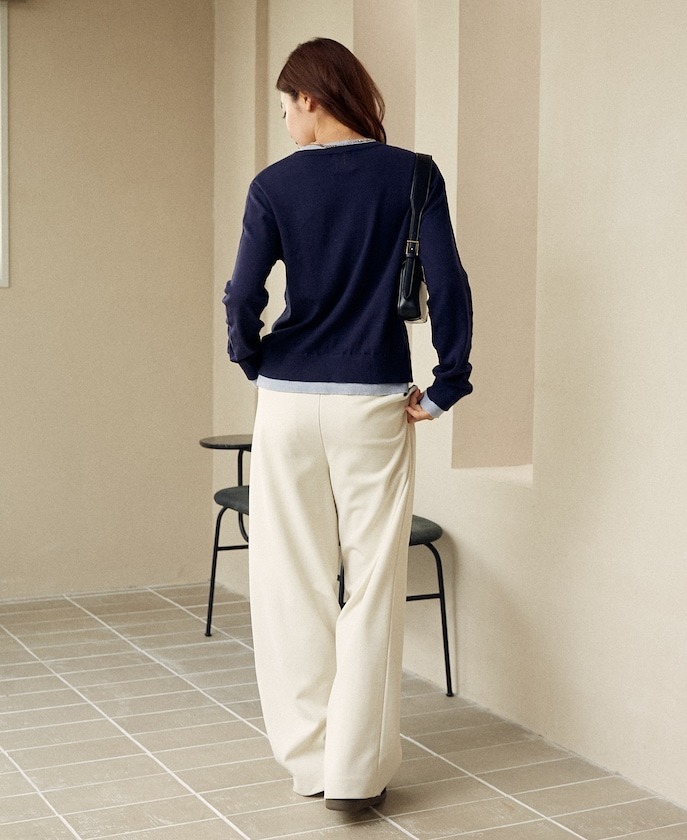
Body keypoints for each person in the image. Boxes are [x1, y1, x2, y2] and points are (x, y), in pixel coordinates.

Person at [223, 37, 472, 813]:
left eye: (285, 105)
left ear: (311, 97)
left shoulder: (273, 186)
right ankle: (357, 778)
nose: (285, 119)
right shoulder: (413, 175)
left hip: (289, 400)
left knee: (290, 580)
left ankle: (310, 764)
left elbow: (242, 295)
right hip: (372, 400)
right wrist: (446, 386)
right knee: (372, 586)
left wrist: (253, 360)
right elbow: (449, 285)